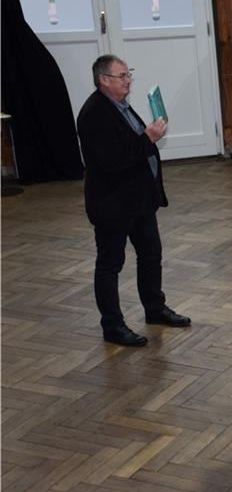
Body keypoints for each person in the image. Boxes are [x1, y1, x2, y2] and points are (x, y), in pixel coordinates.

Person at [77, 54, 191, 347]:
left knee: (151, 255)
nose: (129, 81)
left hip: (138, 201)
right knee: (110, 264)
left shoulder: (120, 106)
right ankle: (112, 326)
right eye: (122, 76)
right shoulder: (94, 114)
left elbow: (130, 146)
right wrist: (148, 139)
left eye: (129, 75)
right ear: (104, 80)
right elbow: (113, 160)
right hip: (112, 205)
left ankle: (154, 309)